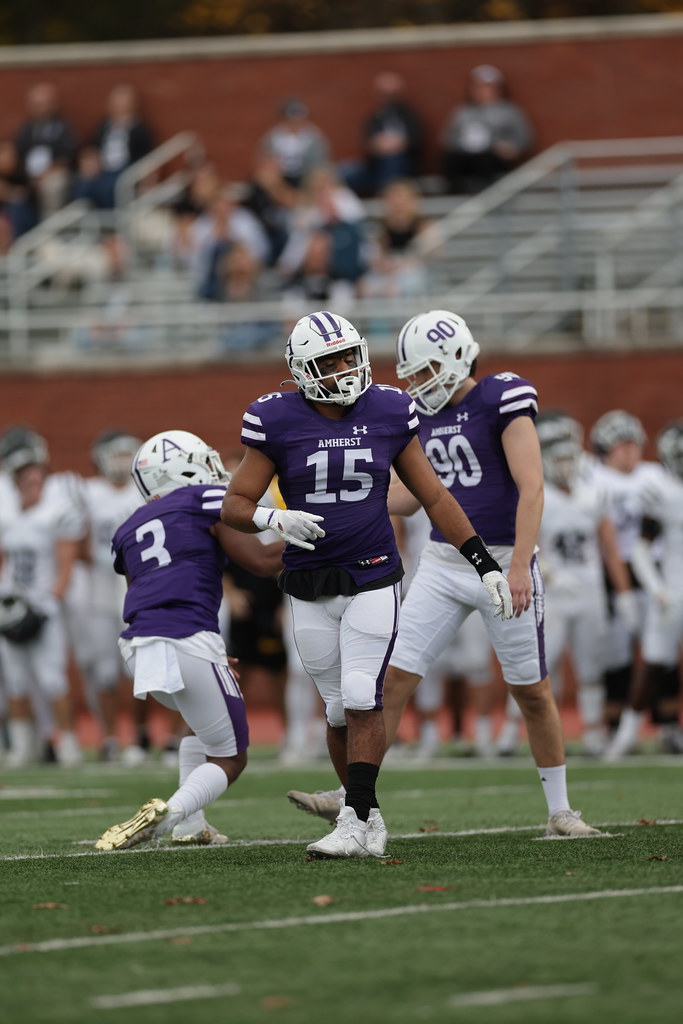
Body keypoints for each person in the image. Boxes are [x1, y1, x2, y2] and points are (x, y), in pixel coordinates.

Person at [294, 311, 607, 837]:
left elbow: (532, 488)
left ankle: (560, 810)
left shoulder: (501, 398)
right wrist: (344, 508)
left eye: (425, 370)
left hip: (504, 560)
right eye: (412, 374)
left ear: (458, 357)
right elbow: (411, 498)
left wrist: (519, 564)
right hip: (442, 563)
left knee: (531, 689)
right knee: (390, 679)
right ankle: (354, 798)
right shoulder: (417, 413)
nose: (416, 383)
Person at [221, 310, 512, 859]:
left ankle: (352, 821)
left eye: (349, 355)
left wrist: (484, 562)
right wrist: (271, 519)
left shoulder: (388, 408)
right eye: (329, 361)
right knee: (335, 709)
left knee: (361, 693)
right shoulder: (274, 419)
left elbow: (435, 496)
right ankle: (368, 817)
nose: (345, 369)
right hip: (307, 581)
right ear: (301, 370)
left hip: (374, 572)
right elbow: (234, 504)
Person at [94, 430, 283, 850]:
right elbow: (261, 561)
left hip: (137, 647)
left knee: (200, 727)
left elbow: (144, 593)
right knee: (232, 757)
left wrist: (210, 654)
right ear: (183, 469)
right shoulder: (205, 500)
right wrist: (333, 534)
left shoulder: (129, 527)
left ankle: (190, 826)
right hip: (186, 640)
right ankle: (168, 815)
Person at [497, 410, 638, 757]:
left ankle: (592, 734)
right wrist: (544, 568)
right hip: (552, 592)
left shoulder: (592, 493)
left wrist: (624, 595)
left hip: (589, 591)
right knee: (537, 661)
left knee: (591, 666)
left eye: (568, 458)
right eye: (558, 459)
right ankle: (509, 734)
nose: (565, 465)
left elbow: (609, 547)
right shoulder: (536, 494)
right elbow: (522, 539)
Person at [0, 430, 84, 766]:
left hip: (45, 605)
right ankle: (24, 747)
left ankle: (68, 745)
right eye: (26, 474)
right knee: (17, 680)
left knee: (52, 677)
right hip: (12, 603)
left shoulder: (58, 507)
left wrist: (49, 602)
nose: (33, 479)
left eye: (37, 472)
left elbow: (66, 563)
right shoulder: (8, 509)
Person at [586, 410, 667, 758]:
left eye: (634, 444)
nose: (630, 451)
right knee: (615, 653)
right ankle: (614, 726)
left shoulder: (654, 474)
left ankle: (669, 724)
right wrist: (620, 590)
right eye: (622, 445)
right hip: (611, 573)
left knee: (661, 651)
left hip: (657, 569)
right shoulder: (594, 476)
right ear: (605, 449)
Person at [609, 421, 683, 755]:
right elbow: (640, 547)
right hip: (672, 589)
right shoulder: (662, 490)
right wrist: (656, 588)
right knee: (654, 662)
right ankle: (625, 736)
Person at [73, 429, 142, 760]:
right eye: (115, 454)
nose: (121, 462)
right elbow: (77, 542)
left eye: (126, 454)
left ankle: (137, 738)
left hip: (137, 583)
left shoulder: (142, 489)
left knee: (139, 665)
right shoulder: (88, 491)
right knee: (103, 668)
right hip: (99, 584)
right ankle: (110, 737)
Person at [440, 65, 532, 195]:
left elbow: (524, 137)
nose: (483, 92)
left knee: (486, 161)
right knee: (450, 161)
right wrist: (460, 144)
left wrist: (511, 147)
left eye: (487, 87)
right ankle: (454, 195)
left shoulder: (510, 111)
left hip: (493, 155)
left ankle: (486, 197)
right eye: (478, 87)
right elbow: (447, 138)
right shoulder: (462, 112)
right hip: (465, 154)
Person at [14, 82, 77, 218]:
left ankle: (49, 229)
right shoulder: (27, 129)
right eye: (38, 105)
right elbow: (18, 155)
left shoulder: (62, 127)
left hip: (54, 174)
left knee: (52, 187)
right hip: (30, 177)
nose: (42, 108)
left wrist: (44, 175)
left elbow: (67, 157)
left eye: (46, 103)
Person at [258, 99, 330, 189]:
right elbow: (264, 158)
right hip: (281, 176)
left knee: (321, 176)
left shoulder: (314, 137)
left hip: (306, 175)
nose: (296, 122)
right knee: (266, 176)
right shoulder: (273, 137)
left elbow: (320, 161)